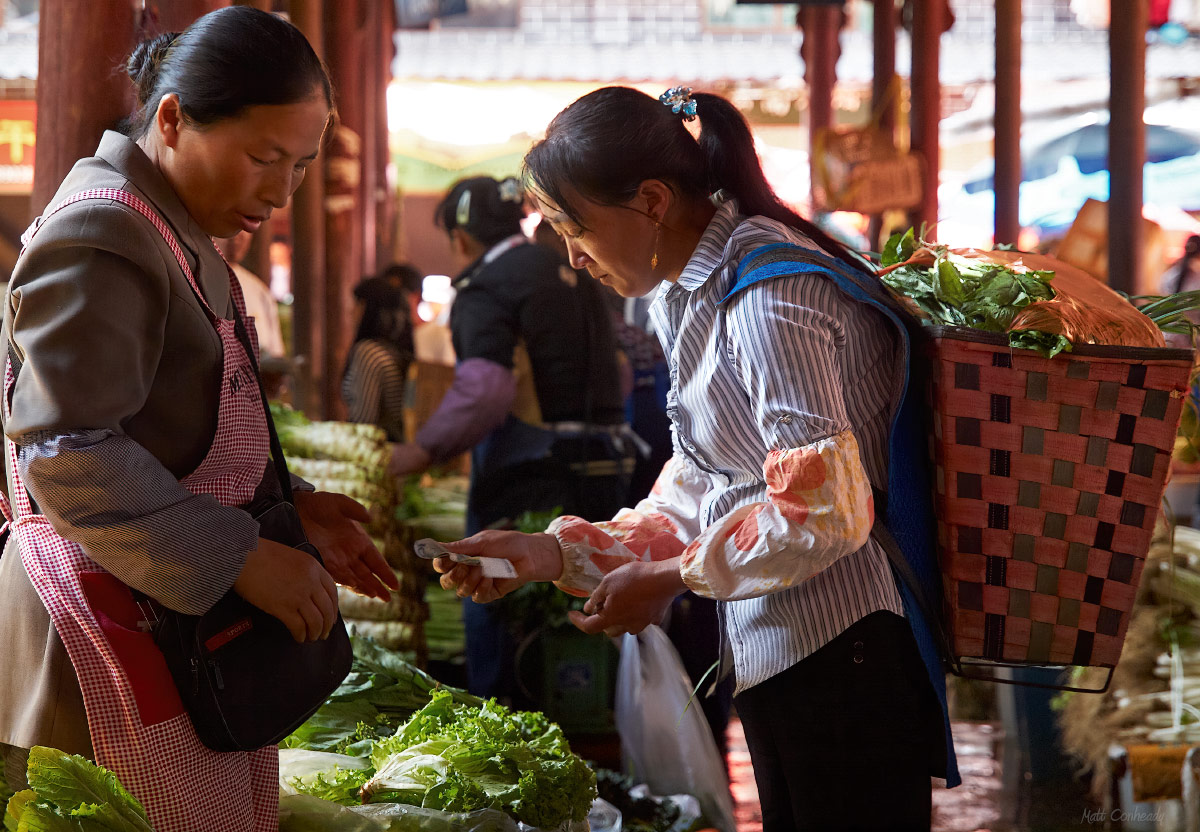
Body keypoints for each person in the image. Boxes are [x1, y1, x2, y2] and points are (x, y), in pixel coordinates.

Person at [432, 86, 960, 832]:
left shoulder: (774, 292)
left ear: (651, 199)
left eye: (574, 228)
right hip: (779, 651)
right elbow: (701, 479)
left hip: (848, 657)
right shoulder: (683, 295)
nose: (575, 259)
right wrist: (549, 555)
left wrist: (672, 578)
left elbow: (825, 509)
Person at [0, 8, 397, 831]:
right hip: (98, 628)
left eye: (300, 165)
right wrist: (242, 554)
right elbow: (66, 449)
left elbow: (172, 427)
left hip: (167, 614)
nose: (280, 193)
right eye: (262, 157)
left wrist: (292, 505)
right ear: (173, 118)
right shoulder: (105, 230)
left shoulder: (176, 233)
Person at [388, 175, 633, 700]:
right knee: (585, 616)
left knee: (500, 605)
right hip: (605, 465)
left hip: (529, 479)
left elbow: (486, 389)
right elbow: (622, 371)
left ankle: (511, 739)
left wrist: (420, 451)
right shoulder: (570, 268)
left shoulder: (488, 285)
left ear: (460, 239)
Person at [342, 268, 418, 442]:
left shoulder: (368, 353)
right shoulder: (390, 349)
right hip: (393, 449)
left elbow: (363, 423)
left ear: (367, 309)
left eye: (356, 304)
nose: (351, 312)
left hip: (378, 454)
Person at [216, 229, 286, 359]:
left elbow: (275, 355)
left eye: (246, 229)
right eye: (233, 221)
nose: (239, 236)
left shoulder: (258, 290)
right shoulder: (192, 280)